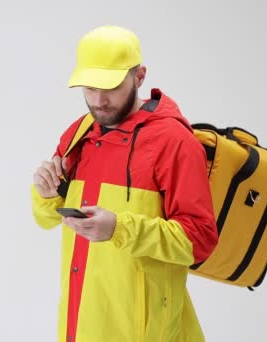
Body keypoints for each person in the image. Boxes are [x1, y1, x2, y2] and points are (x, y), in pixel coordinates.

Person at [30, 25, 219, 342]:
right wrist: (46, 195)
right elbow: (46, 219)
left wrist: (120, 228)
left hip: (145, 333)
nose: (99, 101)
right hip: (81, 326)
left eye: (111, 86)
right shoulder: (80, 133)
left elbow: (200, 240)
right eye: (89, 87)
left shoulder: (173, 141)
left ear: (140, 76)